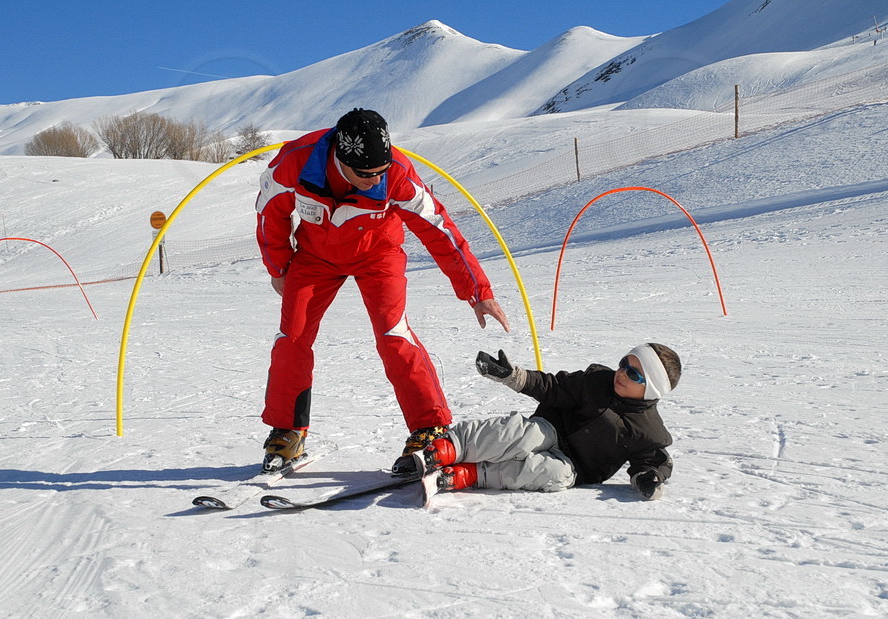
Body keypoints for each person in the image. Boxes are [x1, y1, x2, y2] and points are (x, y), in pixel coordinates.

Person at [255, 108, 509, 474]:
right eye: (365, 174)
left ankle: (429, 428)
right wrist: (278, 267)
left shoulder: (397, 174)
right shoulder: (295, 163)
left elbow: (439, 230)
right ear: (341, 159)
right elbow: (269, 215)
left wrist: (477, 290)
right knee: (291, 335)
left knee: (393, 333)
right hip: (314, 256)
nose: (375, 180)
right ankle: (287, 432)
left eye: (380, 172)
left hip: (378, 254)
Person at [412, 343, 682, 501]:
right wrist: (512, 376)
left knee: (552, 475)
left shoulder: (648, 431)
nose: (622, 373)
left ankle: (469, 475)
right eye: (624, 363)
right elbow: (553, 387)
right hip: (551, 428)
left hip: (576, 466)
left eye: (634, 374)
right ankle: (446, 449)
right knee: (521, 434)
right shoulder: (597, 381)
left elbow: (652, 460)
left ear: (651, 390)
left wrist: (649, 478)